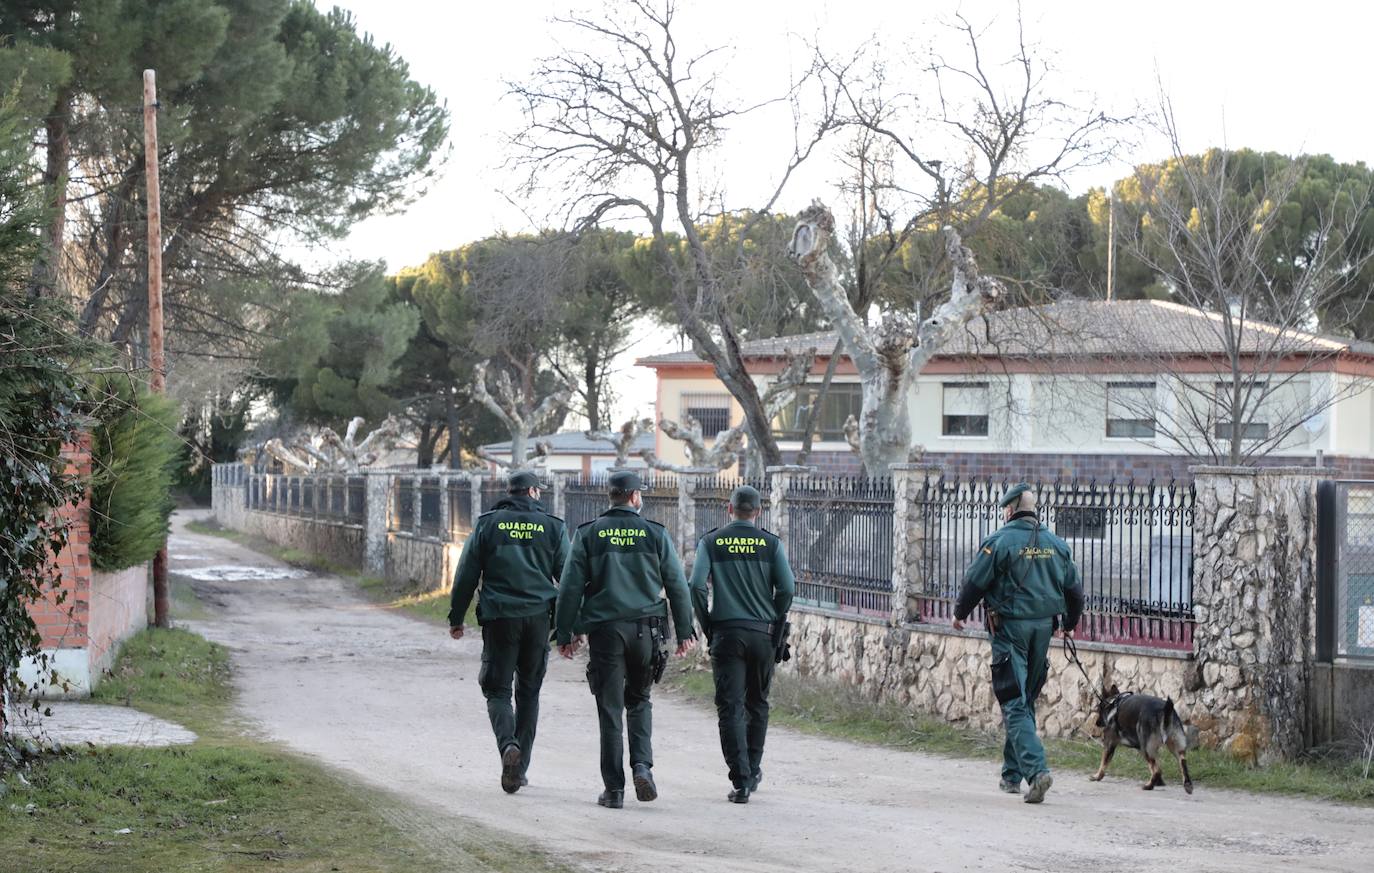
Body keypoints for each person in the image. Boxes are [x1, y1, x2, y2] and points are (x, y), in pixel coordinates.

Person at [554, 469, 696, 809]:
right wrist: (684, 631)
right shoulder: (655, 534)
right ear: (634, 497)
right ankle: (642, 767)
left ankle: (614, 790)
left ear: (612, 496)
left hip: (605, 632)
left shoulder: (588, 534)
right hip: (646, 631)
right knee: (640, 700)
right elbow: (677, 585)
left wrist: (566, 632)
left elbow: (570, 588)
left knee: (610, 709)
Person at [953, 482, 1084, 805]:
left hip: (1010, 629)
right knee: (1024, 700)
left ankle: (1037, 772)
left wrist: (959, 613)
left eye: (1004, 510)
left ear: (1010, 510)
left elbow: (974, 582)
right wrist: (1070, 624)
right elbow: (1075, 591)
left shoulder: (999, 542)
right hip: (1044, 629)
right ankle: (1011, 775)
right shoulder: (1056, 544)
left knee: (1013, 700)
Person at [448, 470, 570, 794]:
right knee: (528, 693)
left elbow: (466, 573)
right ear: (532, 492)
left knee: (497, 690)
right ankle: (521, 768)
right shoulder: (553, 527)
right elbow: (569, 579)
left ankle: (508, 747)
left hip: (500, 618)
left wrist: (456, 617)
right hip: (538, 619)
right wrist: (571, 627)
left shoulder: (488, 524)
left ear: (510, 491)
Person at [689, 485, 795, 803]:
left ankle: (740, 779)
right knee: (757, 703)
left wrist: (708, 624)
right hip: (763, 634)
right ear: (758, 512)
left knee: (730, 706)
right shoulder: (771, 544)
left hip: (726, 633)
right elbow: (787, 588)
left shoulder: (711, 541)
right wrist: (773, 617)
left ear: (729, 508)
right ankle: (753, 768)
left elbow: (696, 585)